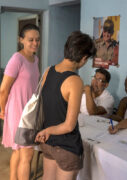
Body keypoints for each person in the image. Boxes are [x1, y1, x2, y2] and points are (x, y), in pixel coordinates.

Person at [35, 31, 96, 180]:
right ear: (84, 58)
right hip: (66, 146)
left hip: (48, 143)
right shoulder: (74, 80)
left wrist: (46, 131)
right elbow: (69, 125)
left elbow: (43, 105)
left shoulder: (48, 71)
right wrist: (49, 130)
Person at [0, 24, 40, 180]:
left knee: (18, 151)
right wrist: (3, 111)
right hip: (18, 111)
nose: (35, 43)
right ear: (21, 40)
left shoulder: (35, 59)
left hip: (29, 111)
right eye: (30, 39)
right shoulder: (17, 59)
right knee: (27, 154)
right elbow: (3, 90)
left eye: (37, 39)